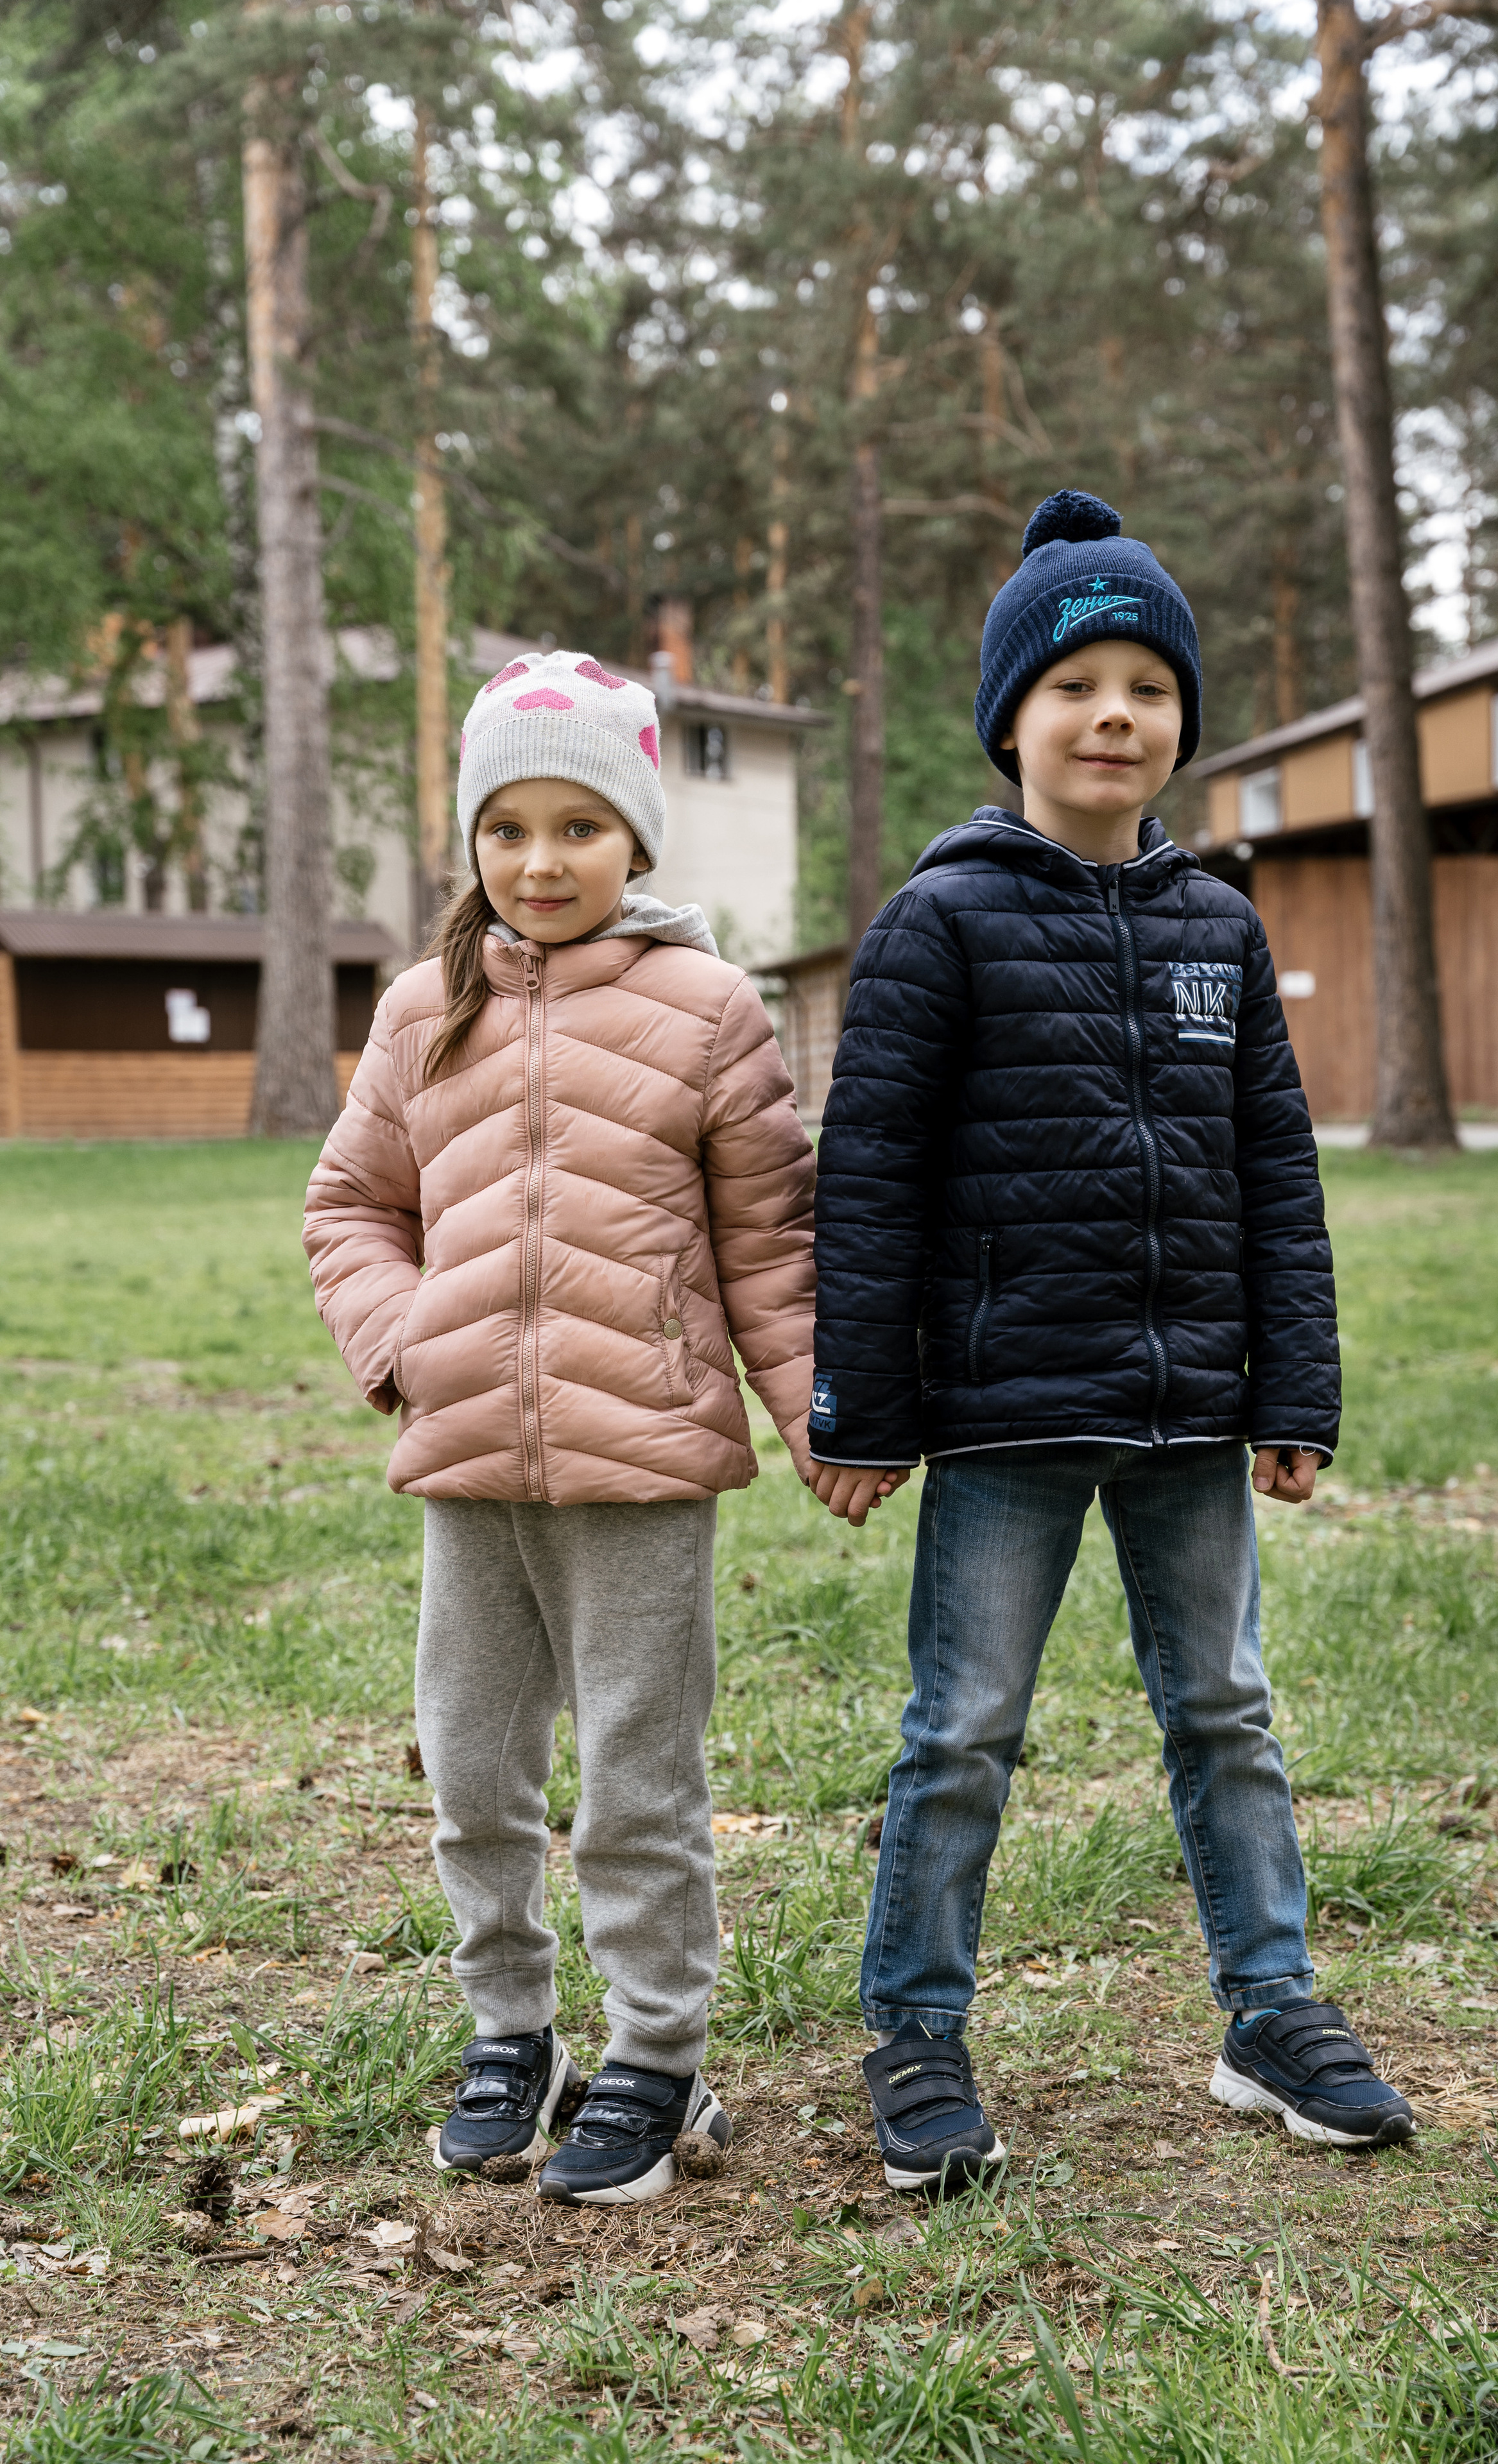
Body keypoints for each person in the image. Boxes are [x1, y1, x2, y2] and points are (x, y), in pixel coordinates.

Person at [806, 491, 1415, 2194]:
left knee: (1226, 1707)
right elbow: (870, 1181)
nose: (1114, 716)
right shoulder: (942, 922)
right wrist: (860, 1403)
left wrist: (1292, 1390)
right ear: (1013, 719)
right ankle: (916, 2030)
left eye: (1149, 686)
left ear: (1180, 726)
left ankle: (1269, 2008)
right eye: (1076, 687)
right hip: (1002, 1419)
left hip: (1189, 1418)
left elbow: (1277, 1185)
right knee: (965, 1730)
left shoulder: (1221, 927)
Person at [303, 650, 816, 2205]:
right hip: (469, 1461)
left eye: (579, 826)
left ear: (637, 840)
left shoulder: (711, 1011)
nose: (539, 861)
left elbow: (774, 1243)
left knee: (640, 1777)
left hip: (643, 1462)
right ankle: (509, 2031)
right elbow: (350, 1203)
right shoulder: (418, 1014)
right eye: (507, 827)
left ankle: (657, 2056)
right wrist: (401, 1339)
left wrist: (818, 1420)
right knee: (472, 1767)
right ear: (471, 840)